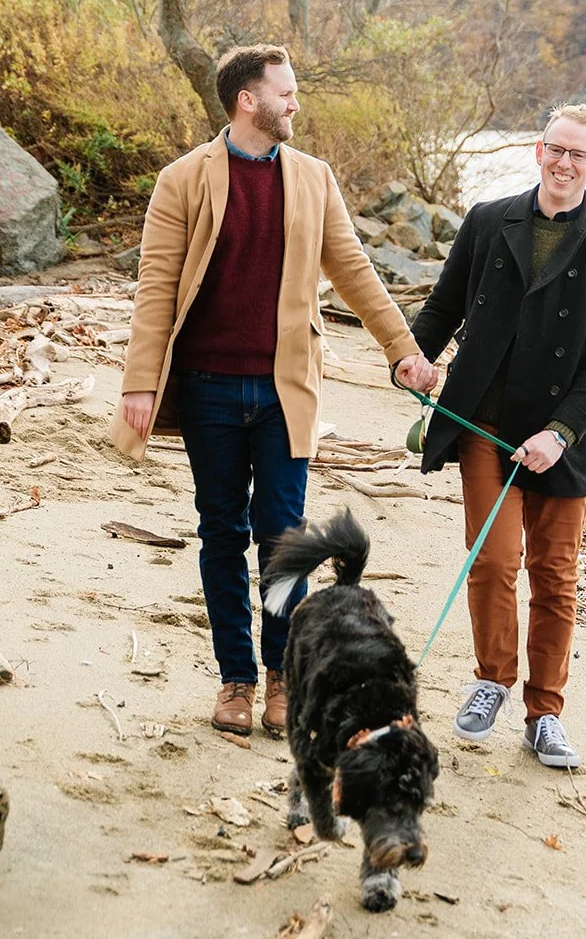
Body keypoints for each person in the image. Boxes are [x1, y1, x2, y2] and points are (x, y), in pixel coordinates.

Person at [111, 44, 438, 739]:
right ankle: (236, 678)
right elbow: (156, 288)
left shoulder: (313, 178)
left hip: (286, 388)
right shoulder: (184, 179)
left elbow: (353, 270)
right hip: (206, 390)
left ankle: (282, 673)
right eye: (284, 93)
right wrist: (140, 383)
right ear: (246, 101)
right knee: (221, 533)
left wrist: (403, 351)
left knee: (285, 540)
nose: (295, 104)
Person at [408, 102, 586, 769]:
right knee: (491, 559)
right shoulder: (487, 222)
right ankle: (491, 680)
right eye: (555, 149)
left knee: (556, 577)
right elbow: (444, 308)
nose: (564, 163)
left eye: (579, 155)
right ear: (538, 151)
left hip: (560, 434)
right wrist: (412, 358)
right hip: (481, 418)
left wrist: (561, 432)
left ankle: (545, 714)